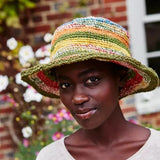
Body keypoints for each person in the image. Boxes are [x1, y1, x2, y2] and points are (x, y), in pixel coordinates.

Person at [22, 17, 160, 160]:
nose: (77, 98)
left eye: (92, 80)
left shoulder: (155, 149)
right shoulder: (51, 157)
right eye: (66, 85)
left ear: (121, 77)